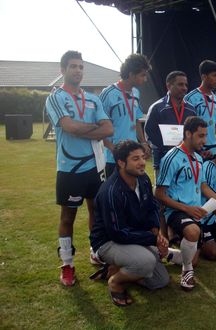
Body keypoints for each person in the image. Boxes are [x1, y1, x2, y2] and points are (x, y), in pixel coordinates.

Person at [45, 50, 113, 286]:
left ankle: (95, 250)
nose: (78, 70)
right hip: (70, 168)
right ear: (63, 70)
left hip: (96, 166)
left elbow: (109, 130)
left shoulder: (94, 99)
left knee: (96, 211)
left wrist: (84, 128)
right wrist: (94, 128)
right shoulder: (55, 97)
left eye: (81, 67)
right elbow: (68, 126)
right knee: (68, 216)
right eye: (73, 66)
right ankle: (67, 264)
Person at [155, 116, 216, 291]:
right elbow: (158, 194)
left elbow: (204, 188)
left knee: (194, 258)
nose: (205, 140)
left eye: (206, 136)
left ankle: (167, 253)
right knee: (192, 232)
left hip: (197, 212)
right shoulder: (171, 158)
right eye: (201, 136)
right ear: (188, 134)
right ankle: (186, 271)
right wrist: (187, 208)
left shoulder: (197, 158)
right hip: (177, 211)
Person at [90, 140, 174, 307]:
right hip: (108, 242)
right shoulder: (111, 191)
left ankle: (117, 268)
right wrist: (153, 239)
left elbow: (152, 206)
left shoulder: (142, 179)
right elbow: (118, 233)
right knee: (146, 262)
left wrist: (156, 231)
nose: (142, 162)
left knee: (160, 280)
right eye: (136, 159)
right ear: (121, 163)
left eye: (143, 157)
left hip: (133, 235)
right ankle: (115, 282)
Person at [100, 54, 151, 176]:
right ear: (131, 74)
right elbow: (98, 126)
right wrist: (112, 148)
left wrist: (143, 142)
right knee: (113, 193)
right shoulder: (108, 94)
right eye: (142, 75)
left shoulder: (136, 93)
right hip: (112, 158)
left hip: (132, 155)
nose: (145, 79)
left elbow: (136, 120)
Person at [145, 71, 196, 180]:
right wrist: (167, 146)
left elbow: (195, 132)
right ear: (169, 85)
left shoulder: (191, 109)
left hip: (185, 160)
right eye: (180, 84)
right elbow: (150, 133)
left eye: (186, 85)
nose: (184, 88)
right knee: (163, 194)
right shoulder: (157, 108)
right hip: (164, 160)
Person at [184, 60, 216, 160]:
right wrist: (198, 150)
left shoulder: (215, 98)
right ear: (204, 77)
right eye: (214, 75)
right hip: (198, 151)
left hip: (213, 150)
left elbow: (214, 126)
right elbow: (186, 127)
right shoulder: (190, 98)